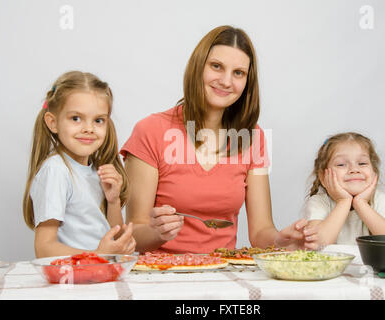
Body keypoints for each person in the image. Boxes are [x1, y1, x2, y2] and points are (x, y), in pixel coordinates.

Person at [121, 25, 308, 254]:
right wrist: (156, 232)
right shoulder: (150, 131)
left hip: (224, 273)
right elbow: (134, 235)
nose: (226, 81)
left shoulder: (253, 137)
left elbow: (261, 231)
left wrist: (281, 241)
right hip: (161, 276)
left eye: (238, 73)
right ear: (198, 67)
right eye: (217, 67)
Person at [23, 71, 136, 258]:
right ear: (53, 123)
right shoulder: (56, 170)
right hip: (73, 281)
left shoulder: (95, 170)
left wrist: (113, 201)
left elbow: (113, 238)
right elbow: (44, 248)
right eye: (76, 118)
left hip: (98, 276)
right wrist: (98, 255)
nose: (88, 128)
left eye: (98, 120)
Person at [302, 132, 385, 249]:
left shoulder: (377, 198)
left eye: (362, 163)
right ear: (323, 177)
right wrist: (343, 201)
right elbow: (318, 244)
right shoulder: (320, 201)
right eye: (341, 164)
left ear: (374, 171)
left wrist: (361, 203)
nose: (354, 169)